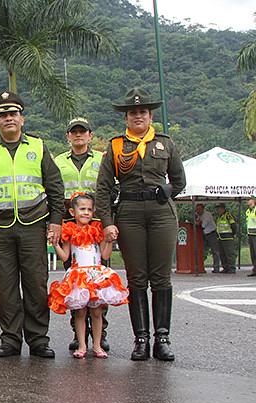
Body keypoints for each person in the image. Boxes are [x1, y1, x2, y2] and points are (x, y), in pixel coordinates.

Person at [0, 91, 65, 359]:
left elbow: (55, 187)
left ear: (22, 118)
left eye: (13, 114)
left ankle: (38, 339)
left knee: (35, 284)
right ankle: (10, 340)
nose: (8, 118)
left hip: (34, 225)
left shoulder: (38, 146)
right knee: (6, 287)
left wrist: (56, 221)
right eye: (2, 115)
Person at [96, 87, 186, 361]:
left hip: (161, 213)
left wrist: (167, 191)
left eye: (143, 112)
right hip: (130, 213)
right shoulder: (115, 147)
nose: (138, 116)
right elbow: (103, 188)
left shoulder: (165, 144)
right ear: (126, 118)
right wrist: (108, 222)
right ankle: (141, 339)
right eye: (133, 112)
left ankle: (162, 338)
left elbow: (179, 181)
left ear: (150, 116)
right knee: (136, 277)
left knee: (160, 277)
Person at [52, 117, 110, 353]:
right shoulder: (58, 161)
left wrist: (107, 224)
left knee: (99, 284)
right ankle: (79, 336)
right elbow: (55, 193)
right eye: (73, 132)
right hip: (69, 227)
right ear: (68, 136)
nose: (78, 135)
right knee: (73, 286)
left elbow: (107, 191)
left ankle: (100, 334)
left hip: (95, 226)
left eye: (82, 131)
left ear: (90, 135)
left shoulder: (101, 159)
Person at [48, 192, 129, 358]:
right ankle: (82, 345)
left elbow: (105, 256)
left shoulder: (97, 230)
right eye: (82, 209)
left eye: (89, 209)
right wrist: (55, 243)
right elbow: (65, 257)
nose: (86, 212)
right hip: (78, 275)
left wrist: (109, 240)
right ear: (72, 212)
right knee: (80, 312)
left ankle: (98, 345)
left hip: (95, 275)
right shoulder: (69, 231)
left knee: (97, 312)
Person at [195, 203, 220, 272]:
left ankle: (216, 268)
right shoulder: (198, 215)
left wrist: (197, 222)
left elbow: (202, 226)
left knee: (215, 251)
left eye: (199, 209)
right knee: (201, 250)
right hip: (204, 234)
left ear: (203, 209)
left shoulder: (207, 215)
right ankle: (200, 267)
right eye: (196, 209)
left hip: (212, 234)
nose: (197, 211)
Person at [215, 203, 238, 274]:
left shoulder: (228, 215)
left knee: (230, 253)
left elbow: (234, 225)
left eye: (219, 208)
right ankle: (225, 267)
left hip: (228, 237)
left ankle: (232, 268)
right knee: (222, 254)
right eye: (217, 208)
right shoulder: (219, 216)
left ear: (223, 208)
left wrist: (232, 234)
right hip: (220, 237)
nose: (218, 210)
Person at [247, 197, 256, 277]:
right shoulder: (248, 211)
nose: (248, 202)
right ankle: (255, 269)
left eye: (250, 201)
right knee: (252, 254)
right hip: (250, 234)